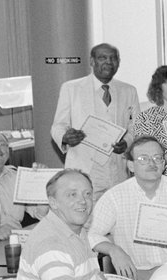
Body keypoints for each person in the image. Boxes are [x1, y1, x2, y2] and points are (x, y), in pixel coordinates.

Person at [88, 135, 167, 280]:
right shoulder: (114, 197)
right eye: (143, 159)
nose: (152, 163)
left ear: (164, 163)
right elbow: (92, 234)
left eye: (157, 158)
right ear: (130, 166)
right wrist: (114, 250)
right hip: (137, 275)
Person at [50, 43, 139, 197]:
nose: (109, 62)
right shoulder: (71, 88)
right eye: (102, 58)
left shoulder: (129, 90)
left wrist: (127, 142)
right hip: (84, 166)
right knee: (84, 215)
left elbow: (136, 126)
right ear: (92, 61)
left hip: (118, 168)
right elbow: (58, 125)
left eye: (113, 58)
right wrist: (65, 137)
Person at [0, 129, 43, 237]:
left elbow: (39, 213)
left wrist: (42, 184)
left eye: (2, 144)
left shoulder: (17, 177)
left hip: (16, 240)